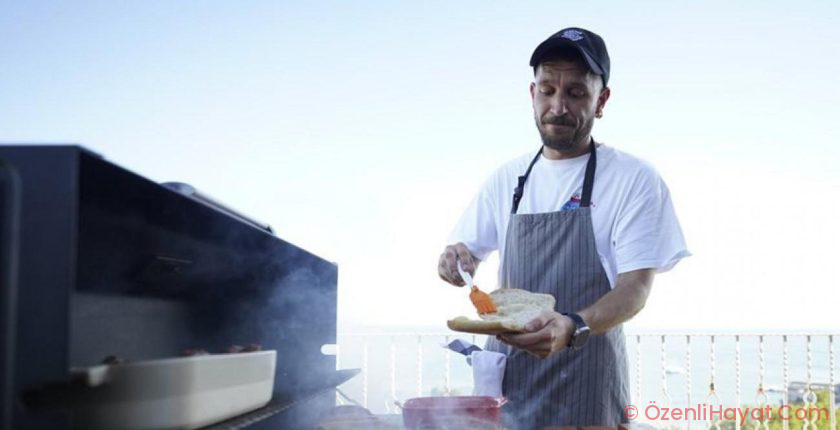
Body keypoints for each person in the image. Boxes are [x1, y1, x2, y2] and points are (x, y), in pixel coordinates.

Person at [437, 27, 689, 429]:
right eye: (547, 90)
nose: (558, 106)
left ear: (601, 101)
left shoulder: (634, 179)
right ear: (531, 93)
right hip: (510, 386)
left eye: (575, 93)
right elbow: (464, 253)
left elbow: (635, 290)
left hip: (587, 385)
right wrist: (455, 259)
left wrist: (573, 325)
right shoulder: (508, 178)